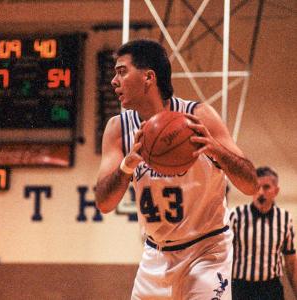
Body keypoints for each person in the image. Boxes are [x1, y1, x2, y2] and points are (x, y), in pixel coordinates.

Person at [95, 39, 258, 300]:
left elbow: (251, 184)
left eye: (122, 71)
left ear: (148, 77)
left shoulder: (198, 116)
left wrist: (215, 149)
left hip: (207, 250)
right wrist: (128, 164)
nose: (114, 81)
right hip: (155, 255)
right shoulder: (118, 129)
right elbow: (104, 203)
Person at [230, 166, 297, 300]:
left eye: (266, 187)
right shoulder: (236, 215)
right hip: (241, 288)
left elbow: (290, 262)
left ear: (276, 191)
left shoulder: (284, 219)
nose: (260, 192)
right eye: (257, 187)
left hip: (271, 289)